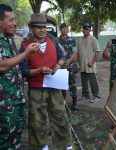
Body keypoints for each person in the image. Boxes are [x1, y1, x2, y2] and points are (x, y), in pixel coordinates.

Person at [19, 13, 72, 150]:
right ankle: (42, 147)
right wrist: (39, 71)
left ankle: (64, 146)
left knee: (60, 119)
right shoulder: (25, 45)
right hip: (36, 90)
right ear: (31, 27)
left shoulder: (53, 40)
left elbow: (62, 56)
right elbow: (23, 71)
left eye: (44, 27)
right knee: (37, 123)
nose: (42, 30)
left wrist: (59, 65)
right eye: (38, 27)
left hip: (54, 87)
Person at [0, 4, 40, 150]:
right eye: (11, 20)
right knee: (4, 140)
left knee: (16, 135)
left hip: (15, 99)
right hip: (3, 104)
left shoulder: (9, 39)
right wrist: (26, 53)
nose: (15, 23)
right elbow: (2, 66)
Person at [56, 23, 78, 111]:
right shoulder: (56, 40)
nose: (65, 30)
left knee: (72, 84)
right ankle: (63, 102)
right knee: (62, 84)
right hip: (61, 65)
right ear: (60, 30)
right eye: (63, 28)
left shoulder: (72, 40)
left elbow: (75, 52)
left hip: (70, 65)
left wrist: (68, 61)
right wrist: (62, 63)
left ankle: (75, 102)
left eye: (66, 28)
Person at [77, 22, 101, 103]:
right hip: (82, 65)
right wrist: (78, 63)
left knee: (93, 81)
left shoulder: (93, 39)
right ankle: (85, 95)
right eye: (84, 28)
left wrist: (92, 62)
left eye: (87, 29)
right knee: (84, 81)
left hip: (90, 65)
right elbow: (78, 53)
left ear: (90, 30)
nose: (85, 30)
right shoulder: (80, 40)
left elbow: (97, 51)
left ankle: (96, 96)